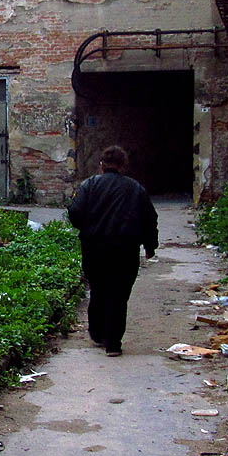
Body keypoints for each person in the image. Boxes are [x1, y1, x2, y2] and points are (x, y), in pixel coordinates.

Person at [66, 145, 158, 357]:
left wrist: (87, 228)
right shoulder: (135, 188)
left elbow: (75, 212)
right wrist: (150, 245)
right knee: (118, 295)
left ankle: (97, 333)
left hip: (94, 248)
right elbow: (149, 218)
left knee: (98, 290)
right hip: (125, 250)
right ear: (122, 165)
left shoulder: (89, 185)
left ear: (102, 165)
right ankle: (113, 342)